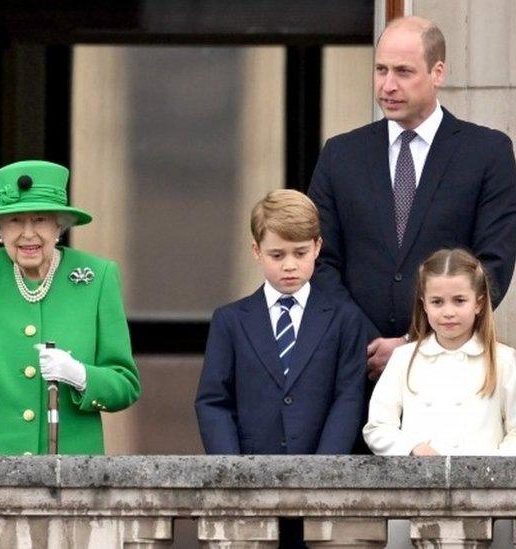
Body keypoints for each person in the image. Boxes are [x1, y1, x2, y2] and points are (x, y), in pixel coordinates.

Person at [0, 160, 141, 547]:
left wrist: (81, 375)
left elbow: (125, 383)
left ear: (59, 226)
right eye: (15, 221)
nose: (28, 234)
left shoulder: (97, 277)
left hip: (70, 484)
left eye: (40, 220)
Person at [308, 16, 516, 382]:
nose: (388, 85)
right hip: (355, 370)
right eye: (381, 70)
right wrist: (368, 342)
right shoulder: (340, 154)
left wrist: (413, 343)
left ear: (438, 73)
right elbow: (320, 261)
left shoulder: (488, 153)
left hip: (449, 373)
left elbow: (492, 265)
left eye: (403, 72)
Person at [195, 190, 367, 547]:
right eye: (277, 254)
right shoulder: (229, 320)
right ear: (256, 251)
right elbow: (213, 401)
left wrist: (324, 470)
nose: (289, 265)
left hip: (321, 487)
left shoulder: (344, 318)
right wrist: (233, 470)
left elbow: (348, 397)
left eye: (300, 253)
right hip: (250, 487)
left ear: (318, 248)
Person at [363, 249, 516, 455]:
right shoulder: (404, 359)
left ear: (478, 303)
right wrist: (413, 448)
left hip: (483, 485)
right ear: (424, 305)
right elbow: (378, 426)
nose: (448, 312)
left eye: (459, 300)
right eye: (437, 302)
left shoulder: (503, 360)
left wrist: (490, 470)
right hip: (418, 482)